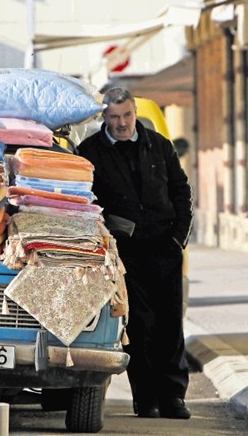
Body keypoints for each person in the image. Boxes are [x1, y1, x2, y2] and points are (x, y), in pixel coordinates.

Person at [77, 87, 193, 419]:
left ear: (134, 113)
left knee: (170, 326)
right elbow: (88, 204)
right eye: (114, 117)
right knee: (139, 327)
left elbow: (181, 191)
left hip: (165, 249)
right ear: (104, 117)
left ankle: (174, 397)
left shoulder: (159, 145)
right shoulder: (90, 152)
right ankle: (146, 399)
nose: (122, 123)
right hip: (125, 255)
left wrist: (178, 238)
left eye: (127, 115)